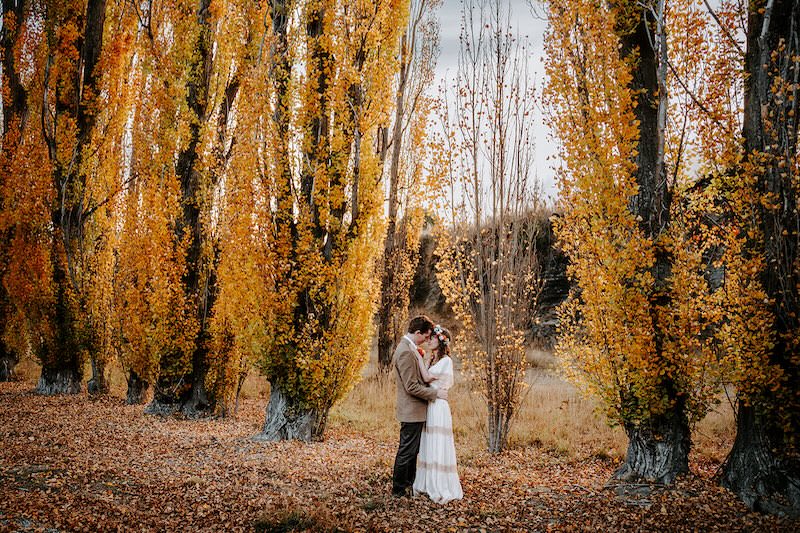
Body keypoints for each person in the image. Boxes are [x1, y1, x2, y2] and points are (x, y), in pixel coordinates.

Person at [392, 315, 448, 498]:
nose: (426, 340)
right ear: (417, 333)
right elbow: (411, 386)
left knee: (412, 451)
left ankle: (408, 485)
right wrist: (435, 394)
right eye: (425, 336)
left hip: (416, 410)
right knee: (407, 451)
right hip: (411, 411)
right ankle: (399, 490)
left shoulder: (410, 348)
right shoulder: (406, 351)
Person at [413, 325, 463, 504]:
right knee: (429, 441)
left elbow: (426, 378)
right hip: (430, 403)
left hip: (439, 406)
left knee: (438, 442)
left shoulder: (446, 361)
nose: (429, 340)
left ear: (441, 341)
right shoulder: (433, 359)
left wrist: (419, 357)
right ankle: (426, 482)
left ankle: (440, 483)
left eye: (433, 338)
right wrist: (424, 359)